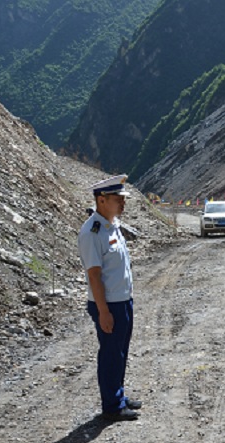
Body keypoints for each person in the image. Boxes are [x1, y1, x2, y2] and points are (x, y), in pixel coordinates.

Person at [78, 174, 142, 422]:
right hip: (109, 304)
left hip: (122, 300)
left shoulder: (111, 225)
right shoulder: (92, 232)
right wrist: (103, 311)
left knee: (120, 351)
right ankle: (112, 406)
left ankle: (119, 395)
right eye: (118, 199)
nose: (123, 203)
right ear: (102, 200)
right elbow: (94, 276)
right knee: (111, 354)